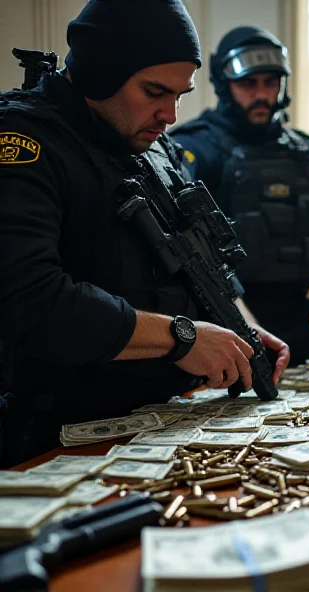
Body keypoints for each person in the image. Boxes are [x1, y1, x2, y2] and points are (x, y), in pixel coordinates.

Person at [0, 0, 289, 466]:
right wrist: (184, 338)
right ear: (100, 73)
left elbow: (202, 260)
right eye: (155, 91)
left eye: (180, 95)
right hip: (58, 443)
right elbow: (28, 298)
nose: (170, 115)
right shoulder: (24, 140)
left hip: (166, 430)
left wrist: (241, 328)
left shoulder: (152, 143)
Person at [171, 28, 309, 365]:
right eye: (249, 84)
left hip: (298, 323)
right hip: (225, 329)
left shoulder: (303, 152)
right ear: (225, 86)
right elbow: (188, 252)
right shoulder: (197, 148)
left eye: (270, 83)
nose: (261, 95)